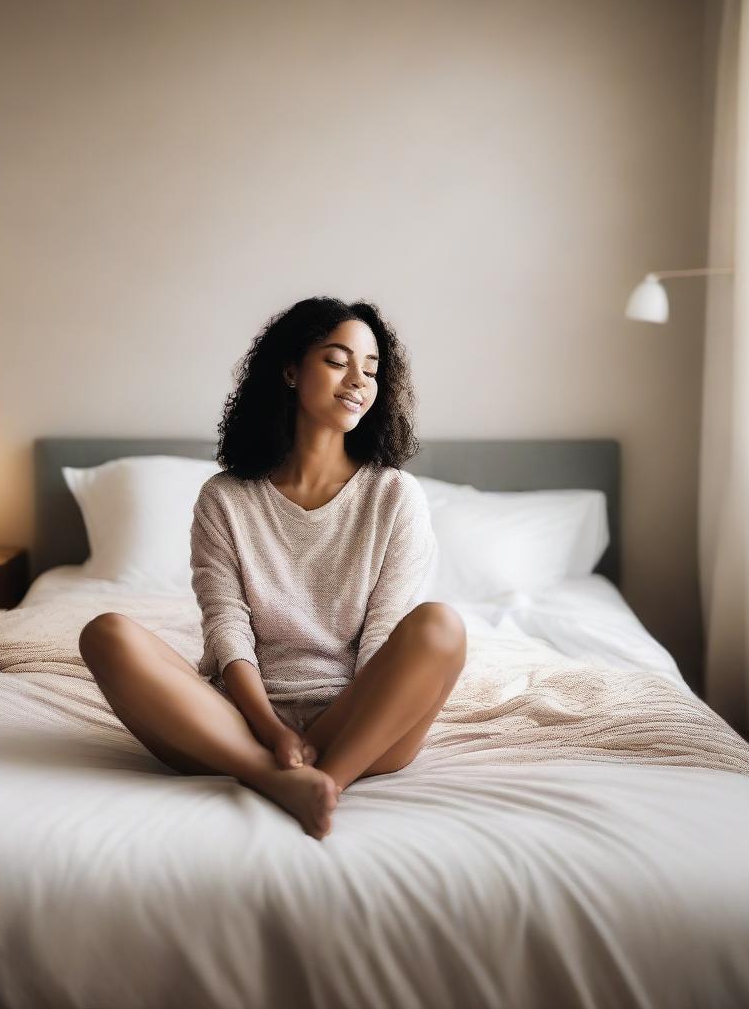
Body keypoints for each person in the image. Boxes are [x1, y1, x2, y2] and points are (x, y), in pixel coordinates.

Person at [78, 296, 467, 840]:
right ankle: (281, 782)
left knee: (439, 626)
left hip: (360, 726)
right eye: (337, 360)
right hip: (237, 723)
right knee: (105, 634)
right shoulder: (225, 499)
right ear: (290, 370)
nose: (359, 380)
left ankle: (326, 782)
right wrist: (272, 733)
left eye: (372, 369)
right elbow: (227, 626)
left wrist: (330, 732)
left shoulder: (395, 496)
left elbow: (384, 636)